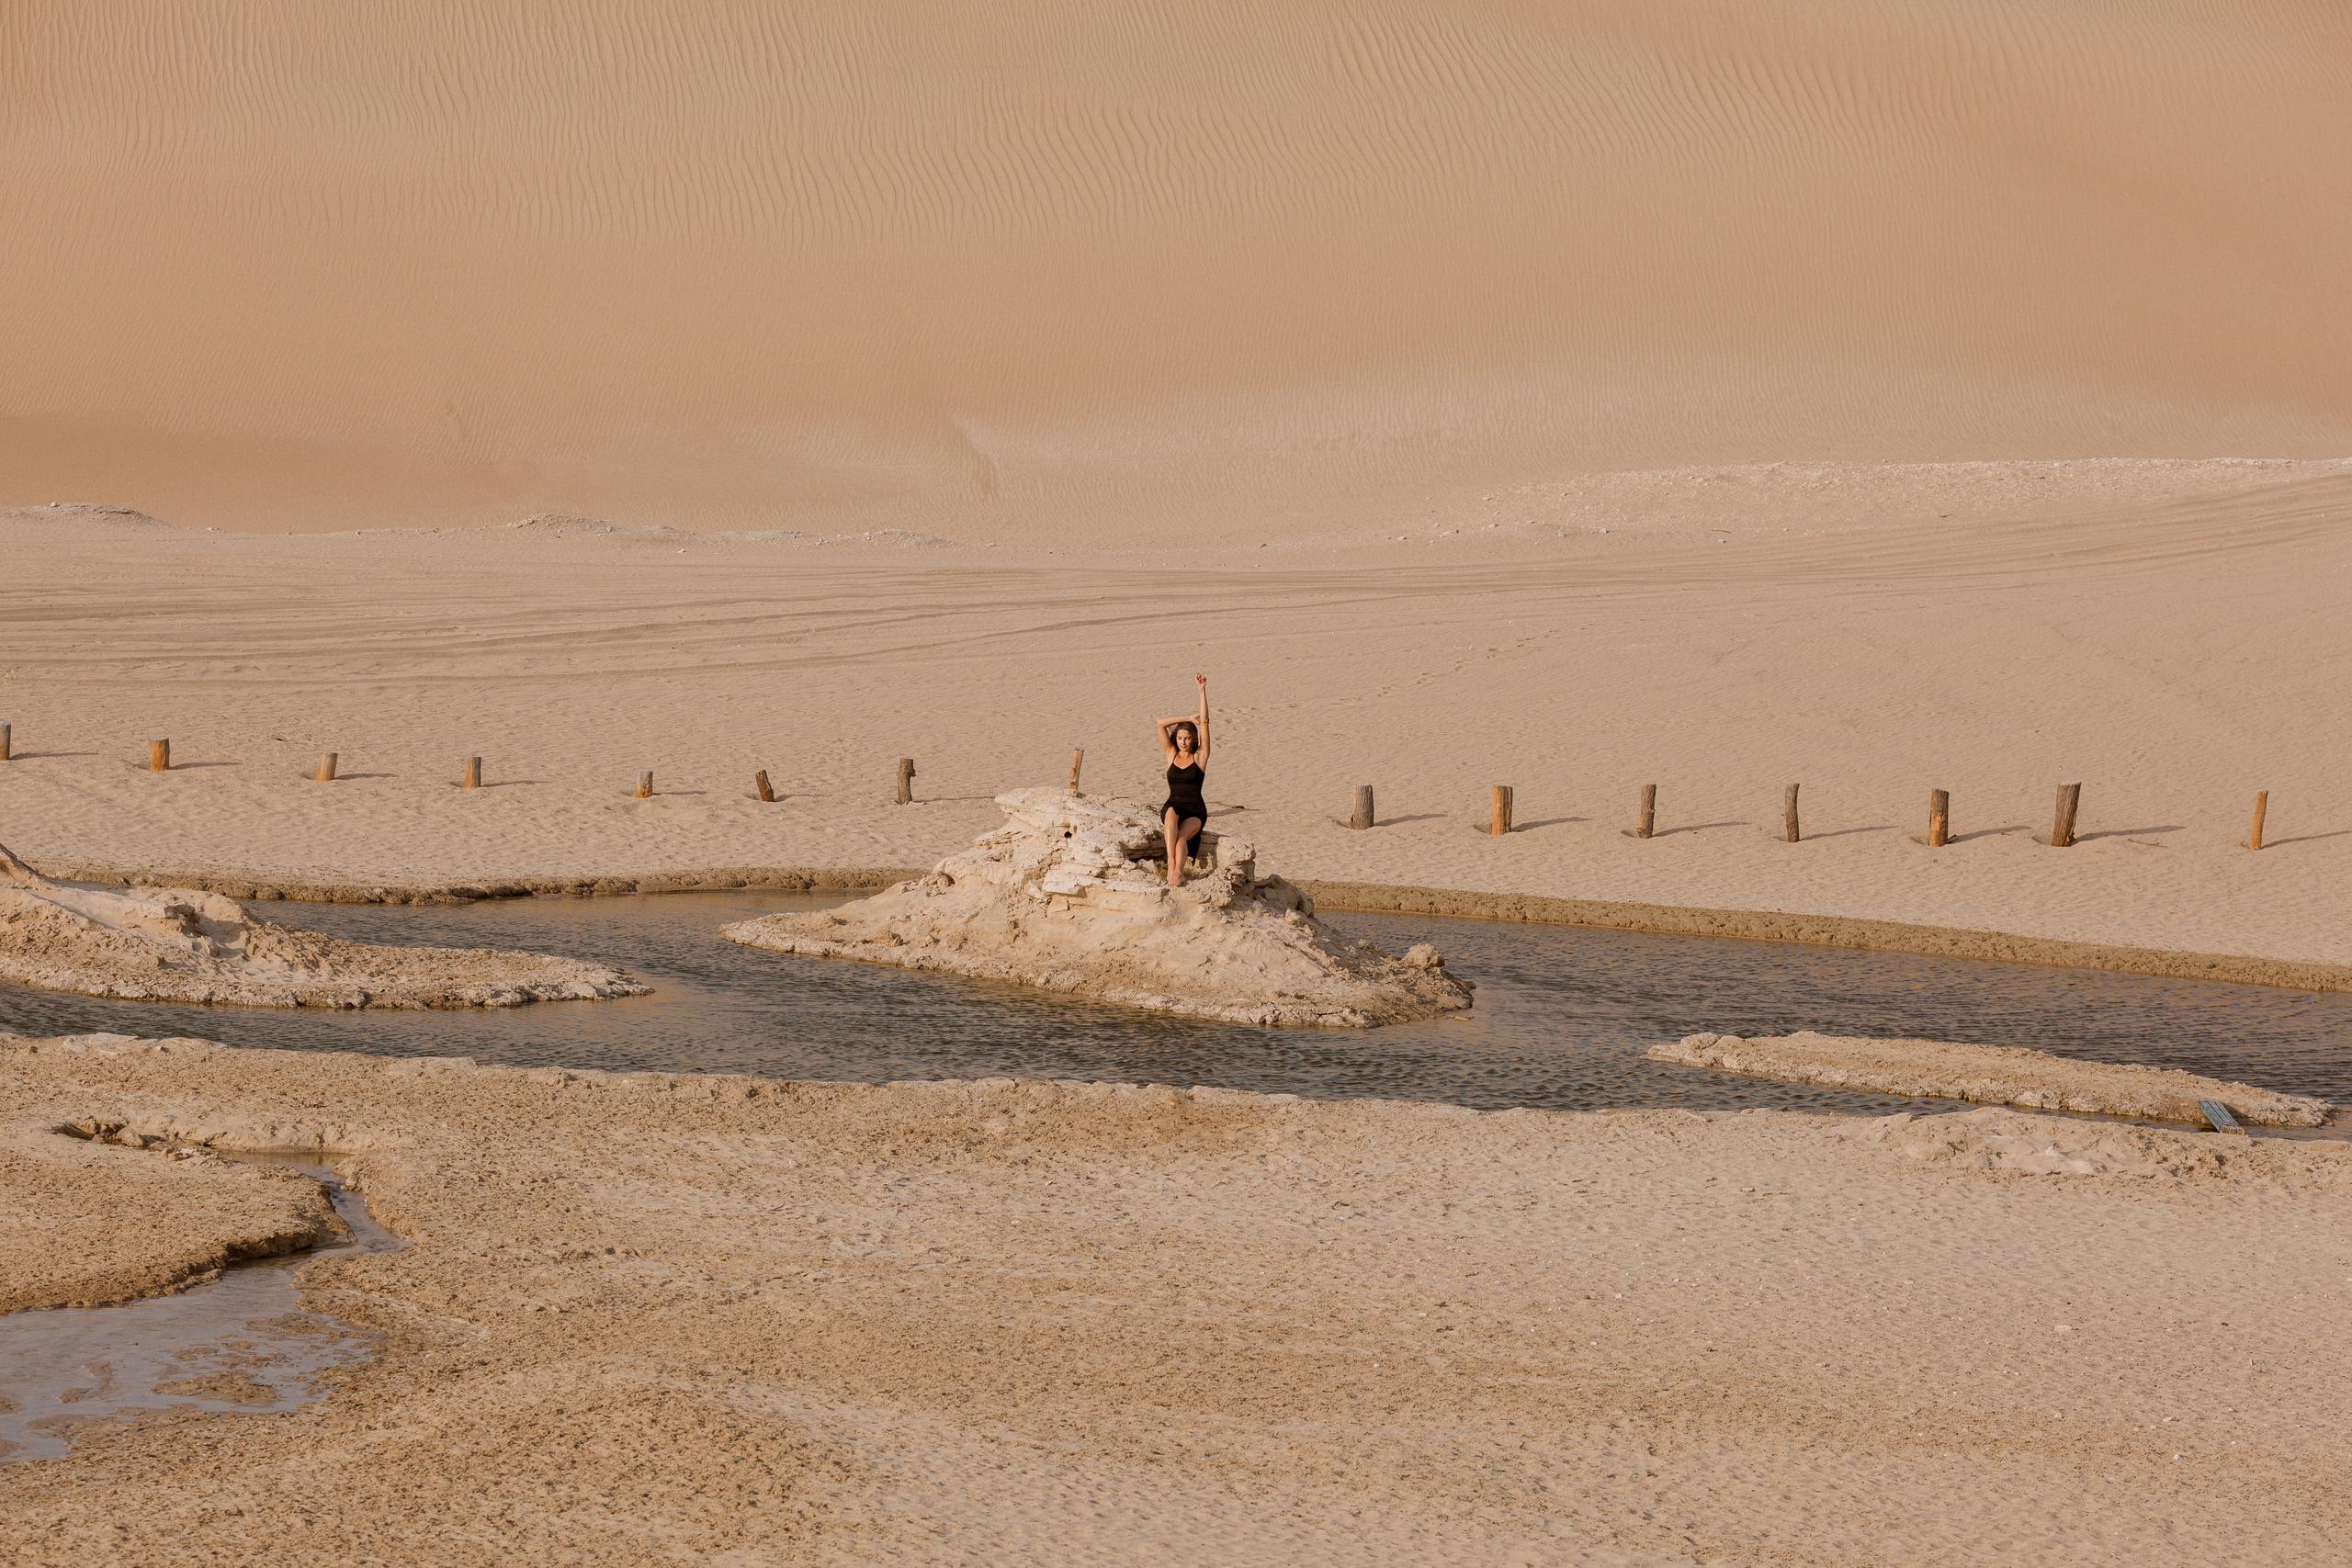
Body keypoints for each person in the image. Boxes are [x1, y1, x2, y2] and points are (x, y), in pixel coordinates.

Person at [1156, 673, 1212, 887]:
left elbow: (1205, 722)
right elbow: (1160, 723)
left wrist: (1201, 690)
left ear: (1193, 739)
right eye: (1179, 738)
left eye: (1187, 738)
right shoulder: (1171, 754)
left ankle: (1178, 873)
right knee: (1170, 813)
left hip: (1196, 810)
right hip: (1174, 804)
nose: (1183, 742)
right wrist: (1188, 718)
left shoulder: (1200, 757)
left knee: (1181, 837)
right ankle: (1171, 866)